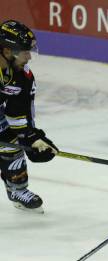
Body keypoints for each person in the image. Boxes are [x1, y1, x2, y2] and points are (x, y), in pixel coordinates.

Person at [0, 20, 58, 212]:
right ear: (7, 51)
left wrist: (32, 138)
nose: (29, 57)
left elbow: (18, 111)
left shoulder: (22, 75)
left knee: (11, 139)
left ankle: (17, 188)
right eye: (25, 51)